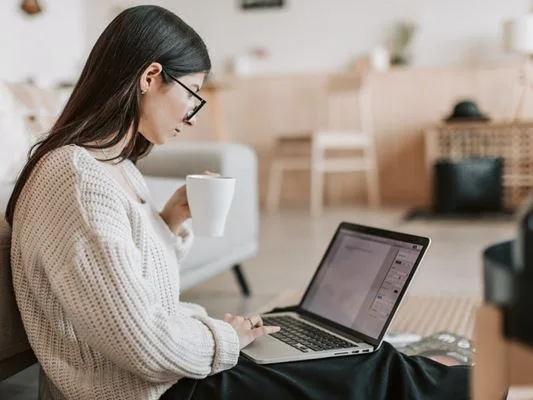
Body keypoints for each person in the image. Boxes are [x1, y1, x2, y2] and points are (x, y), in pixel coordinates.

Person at [6, 5, 469, 400]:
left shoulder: (115, 168)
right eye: (191, 96)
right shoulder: (75, 177)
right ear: (151, 76)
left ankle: (469, 379)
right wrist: (227, 338)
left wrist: (167, 224)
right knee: (374, 370)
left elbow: (136, 296)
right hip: (152, 390)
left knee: (366, 359)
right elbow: (141, 343)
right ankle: (489, 381)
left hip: (168, 376)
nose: (190, 117)